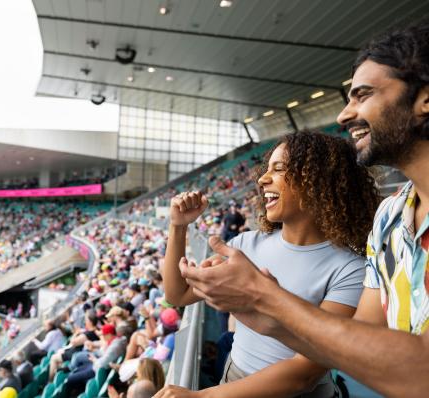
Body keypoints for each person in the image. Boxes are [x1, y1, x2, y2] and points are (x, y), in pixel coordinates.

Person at [170, 20, 429, 398]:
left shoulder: (347, 263)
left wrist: (268, 299)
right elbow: (360, 346)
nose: (344, 115)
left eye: (362, 94)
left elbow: (421, 373)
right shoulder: (388, 218)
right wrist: (268, 315)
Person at [159, 130, 380, 397]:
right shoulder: (246, 245)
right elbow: (177, 294)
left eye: (279, 169)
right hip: (233, 378)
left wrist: (201, 395)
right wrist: (178, 226)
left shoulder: (352, 270)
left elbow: (304, 373)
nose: (263, 179)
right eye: (267, 169)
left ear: (317, 180)